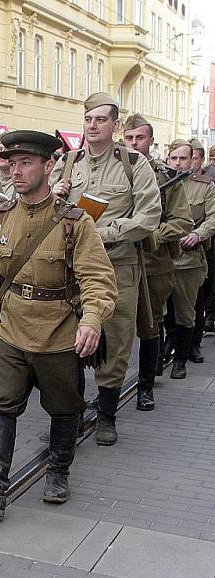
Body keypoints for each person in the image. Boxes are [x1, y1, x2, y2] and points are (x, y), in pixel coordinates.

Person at [0, 130, 117, 519]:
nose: (16, 171)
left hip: (60, 332)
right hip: (10, 330)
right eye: (11, 164)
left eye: (26, 163)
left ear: (49, 166)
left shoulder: (75, 223)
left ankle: (58, 472)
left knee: (64, 408)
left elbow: (99, 280)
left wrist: (92, 321)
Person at [51, 92, 161, 445]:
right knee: (69, 340)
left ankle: (108, 414)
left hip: (117, 265)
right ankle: (73, 413)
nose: (93, 125)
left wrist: (104, 233)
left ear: (115, 124)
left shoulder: (133, 163)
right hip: (72, 268)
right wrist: (55, 193)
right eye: (88, 119)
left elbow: (149, 217)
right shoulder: (67, 162)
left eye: (101, 119)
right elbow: (43, 213)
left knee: (113, 341)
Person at [122, 115, 192, 409]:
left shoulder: (167, 178)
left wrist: (151, 232)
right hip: (118, 258)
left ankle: (145, 386)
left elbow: (183, 221)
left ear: (151, 141)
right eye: (129, 138)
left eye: (139, 138)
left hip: (153, 262)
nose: (134, 144)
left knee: (150, 324)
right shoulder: (116, 171)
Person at [165, 139, 215, 377]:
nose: (178, 163)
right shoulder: (159, 184)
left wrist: (198, 234)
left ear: (194, 160)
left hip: (188, 260)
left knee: (187, 311)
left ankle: (181, 359)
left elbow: (212, 218)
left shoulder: (204, 186)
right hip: (161, 257)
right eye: (173, 158)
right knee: (162, 312)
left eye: (183, 158)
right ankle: (167, 347)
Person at [187, 139, 215, 364]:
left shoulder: (207, 184)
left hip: (202, 251)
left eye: (193, 158)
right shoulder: (169, 182)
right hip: (171, 253)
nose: (187, 162)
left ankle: (193, 344)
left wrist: (199, 234)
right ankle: (174, 344)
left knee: (197, 301)